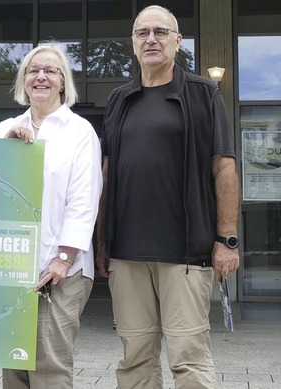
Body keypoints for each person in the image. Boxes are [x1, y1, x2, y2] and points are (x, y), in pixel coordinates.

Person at [96, 5, 240, 388]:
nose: (151, 39)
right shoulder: (119, 99)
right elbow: (106, 173)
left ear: (178, 42)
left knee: (189, 360)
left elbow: (224, 167)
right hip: (127, 253)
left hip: (185, 254)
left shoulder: (203, 93)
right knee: (135, 361)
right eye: (142, 33)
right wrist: (101, 239)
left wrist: (226, 239)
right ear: (133, 43)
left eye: (161, 32)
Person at [0, 44, 102, 389]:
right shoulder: (6, 126)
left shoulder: (79, 131)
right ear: (24, 81)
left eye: (50, 71)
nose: (41, 76)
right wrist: (4, 146)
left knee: (48, 368)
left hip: (61, 272)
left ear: (63, 83)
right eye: (33, 70)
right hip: (12, 269)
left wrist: (63, 259)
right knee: (13, 366)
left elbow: (84, 202)